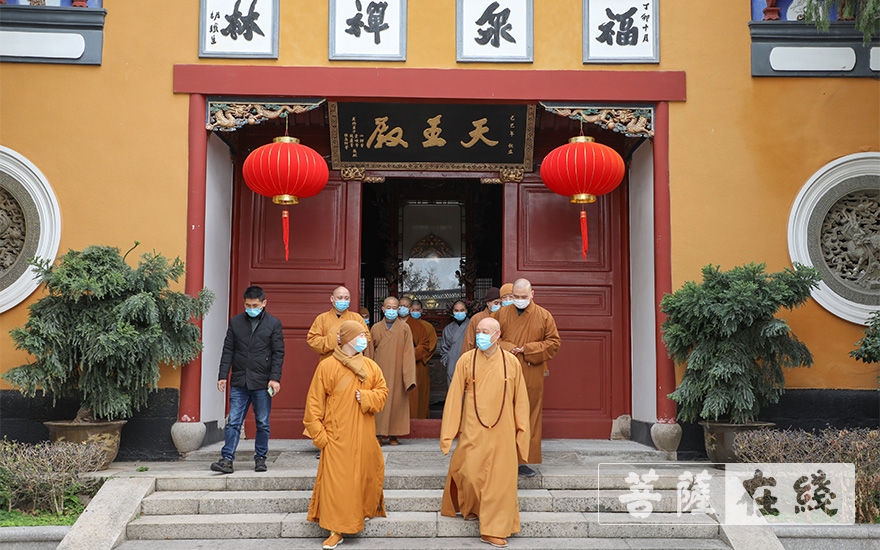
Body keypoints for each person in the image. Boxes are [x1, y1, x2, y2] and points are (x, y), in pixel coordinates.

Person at [440, 317, 530, 549]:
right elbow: (454, 398)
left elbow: (520, 401)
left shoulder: (511, 362)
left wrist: (522, 435)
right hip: (473, 428)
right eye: (478, 331)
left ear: (497, 335)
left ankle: (493, 529)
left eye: (485, 331)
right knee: (470, 473)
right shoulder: (466, 360)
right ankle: (472, 506)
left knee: (500, 481)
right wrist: (448, 434)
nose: (480, 335)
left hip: (503, 430)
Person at [303, 320, 388, 550]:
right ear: (349, 338)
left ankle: (360, 514)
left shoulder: (370, 366)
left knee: (363, 477)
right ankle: (335, 530)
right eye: (360, 336)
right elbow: (313, 405)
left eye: (364, 336)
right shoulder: (327, 366)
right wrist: (321, 438)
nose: (364, 339)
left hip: (364, 436)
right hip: (336, 437)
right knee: (337, 485)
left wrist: (367, 397)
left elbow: (382, 392)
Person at [212, 286, 285, 474]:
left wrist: (274, 379)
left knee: (262, 422)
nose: (251, 308)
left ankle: (260, 458)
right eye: (248, 305)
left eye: (255, 305)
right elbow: (228, 350)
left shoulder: (273, 324)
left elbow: (278, 354)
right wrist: (222, 375)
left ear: (263, 303)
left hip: (262, 382)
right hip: (239, 380)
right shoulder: (236, 322)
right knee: (233, 422)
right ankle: (227, 459)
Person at [495, 278, 561, 477]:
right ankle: (501, 457)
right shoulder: (501, 313)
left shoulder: (544, 316)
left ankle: (523, 460)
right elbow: (491, 336)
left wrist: (528, 349)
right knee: (503, 414)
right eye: (516, 296)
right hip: (505, 369)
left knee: (529, 415)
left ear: (532, 294)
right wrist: (508, 347)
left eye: (523, 296)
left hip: (531, 371)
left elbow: (554, 343)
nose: (519, 300)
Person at [370, 296, 417, 445]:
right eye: (388, 308)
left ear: (398, 309)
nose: (391, 310)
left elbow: (408, 353)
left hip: (397, 371)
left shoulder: (404, 328)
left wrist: (408, 377)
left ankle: (394, 434)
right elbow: (369, 353)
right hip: (379, 371)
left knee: (397, 402)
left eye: (394, 308)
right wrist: (368, 374)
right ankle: (378, 433)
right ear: (383, 309)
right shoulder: (375, 328)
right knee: (379, 402)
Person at [307, 286, 370, 362]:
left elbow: (367, 339)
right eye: (340, 298)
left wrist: (350, 340)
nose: (343, 301)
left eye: (346, 298)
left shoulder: (357, 318)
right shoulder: (322, 318)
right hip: (329, 362)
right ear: (332, 299)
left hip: (352, 362)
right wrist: (335, 340)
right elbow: (313, 341)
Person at [405, 298, 437, 419]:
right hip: (403, 364)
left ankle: (422, 418)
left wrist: (418, 356)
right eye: (413, 310)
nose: (415, 312)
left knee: (421, 394)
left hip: (420, 364)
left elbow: (431, 345)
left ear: (422, 310)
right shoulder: (401, 324)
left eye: (417, 310)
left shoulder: (427, 326)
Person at [461, 287, 502, 354]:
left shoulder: (504, 318)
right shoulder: (476, 318)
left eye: (501, 303)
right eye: (496, 303)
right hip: (479, 355)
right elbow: (468, 343)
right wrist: (466, 358)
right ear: (488, 303)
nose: (499, 306)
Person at [440, 300, 470, 386]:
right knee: (453, 390)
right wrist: (448, 361)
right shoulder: (448, 329)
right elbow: (444, 349)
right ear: (452, 312)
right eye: (456, 310)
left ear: (466, 311)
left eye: (462, 310)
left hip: (469, 363)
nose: (459, 313)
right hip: (452, 365)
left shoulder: (472, 326)